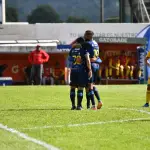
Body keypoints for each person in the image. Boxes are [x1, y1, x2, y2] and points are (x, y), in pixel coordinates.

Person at [71, 31, 103, 110]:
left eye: (85, 35)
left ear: (89, 36)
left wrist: (85, 63)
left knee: (88, 86)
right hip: (96, 65)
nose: (84, 36)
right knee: (91, 84)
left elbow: (76, 46)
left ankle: (93, 105)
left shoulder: (87, 44)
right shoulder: (96, 43)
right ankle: (97, 101)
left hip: (90, 66)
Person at [69, 38, 92, 110]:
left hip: (73, 70)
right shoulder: (84, 49)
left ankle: (73, 105)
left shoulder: (72, 50)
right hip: (81, 71)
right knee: (80, 88)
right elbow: (88, 60)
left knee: (72, 88)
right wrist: (90, 70)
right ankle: (79, 106)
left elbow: (69, 60)